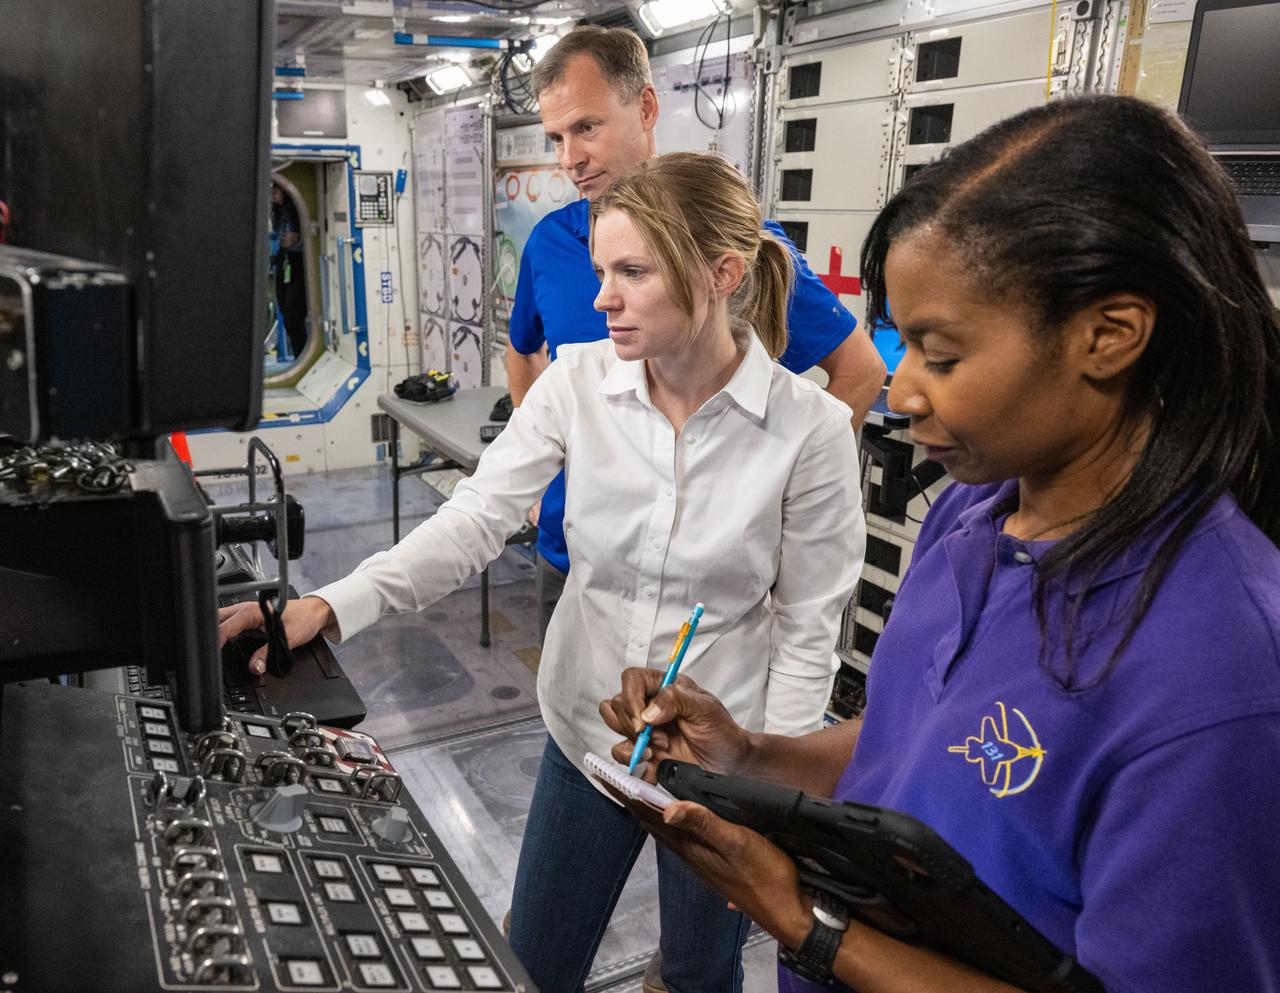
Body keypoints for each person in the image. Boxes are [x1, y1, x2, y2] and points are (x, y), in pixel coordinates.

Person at [600, 96, 1280, 993]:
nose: (901, 391)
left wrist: (802, 922)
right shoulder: (974, 518)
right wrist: (749, 755)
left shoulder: (1221, 672)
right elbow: (911, 745)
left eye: (941, 355)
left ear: (1109, 334)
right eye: (901, 344)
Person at [220, 153, 866, 993]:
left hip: (723, 760)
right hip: (584, 731)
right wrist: (331, 606)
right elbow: (475, 519)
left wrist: (772, 793)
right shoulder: (577, 383)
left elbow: (809, 625)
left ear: (723, 273)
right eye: (602, 269)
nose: (602, 297)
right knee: (535, 964)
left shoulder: (808, 429)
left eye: (631, 271)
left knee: (703, 973)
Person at [508, 25, 886, 645]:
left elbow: (861, 369)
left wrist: (779, 490)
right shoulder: (550, 242)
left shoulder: (722, 244)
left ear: (647, 108)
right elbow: (524, 349)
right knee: (574, 721)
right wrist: (538, 468)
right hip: (575, 559)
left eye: (587, 128)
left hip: (698, 589)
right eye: (555, 137)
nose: (568, 158)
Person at [270, 183, 307, 360]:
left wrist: (298, 237)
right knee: (285, 310)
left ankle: (303, 356)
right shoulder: (278, 212)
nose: (272, 194)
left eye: (276, 190)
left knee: (294, 315)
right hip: (285, 260)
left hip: (299, 262)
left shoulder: (298, 210)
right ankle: (301, 357)